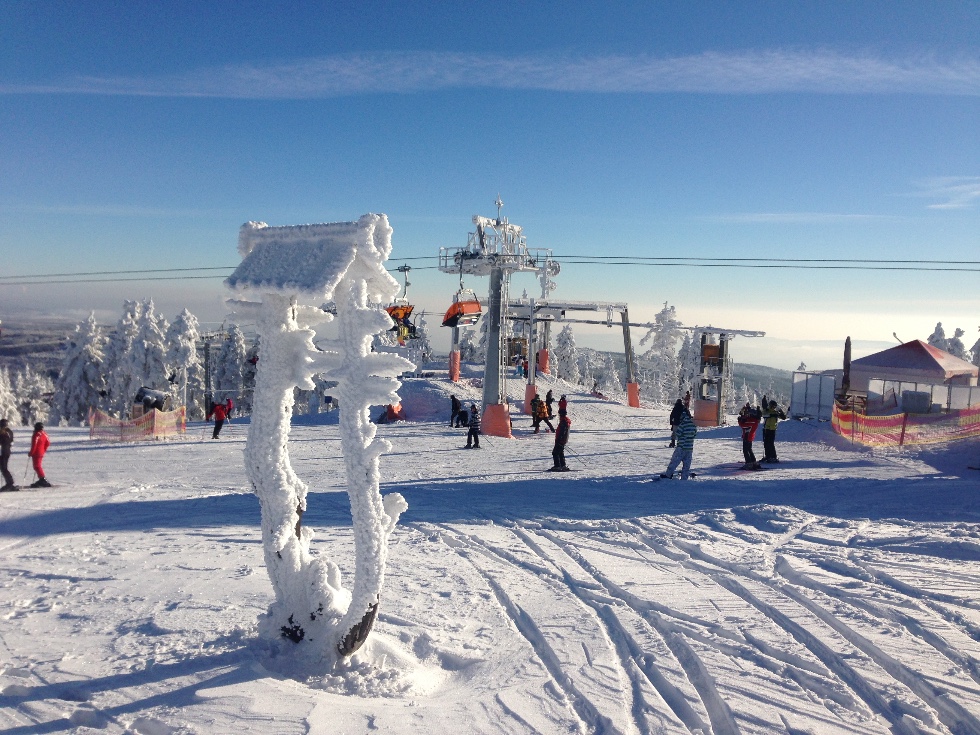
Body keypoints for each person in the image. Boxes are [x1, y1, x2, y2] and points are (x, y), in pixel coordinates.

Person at [661, 410, 697, 480]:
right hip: (689, 448)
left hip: (681, 447)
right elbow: (694, 434)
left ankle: (668, 475)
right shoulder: (693, 425)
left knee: (674, 462)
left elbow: (678, 434)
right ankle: (684, 477)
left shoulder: (682, 425)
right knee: (687, 464)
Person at [737, 404, 762, 470]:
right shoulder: (753, 420)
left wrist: (740, 421)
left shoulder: (751, 421)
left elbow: (743, 426)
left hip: (747, 436)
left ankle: (749, 463)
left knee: (746, 450)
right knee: (749, 449)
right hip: (749, 436)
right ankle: (753, 462)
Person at [28, 422, 51, 488]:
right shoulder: (44, 433)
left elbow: (34, 445)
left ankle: (42, 479)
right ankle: (41, 479)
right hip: (41, 452)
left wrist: (31, 452)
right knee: (38, 466)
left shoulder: (36, 434)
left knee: (37, 466)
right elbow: (48, 442)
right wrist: (44, 449)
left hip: (36, 453)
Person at [0, 419, 16, 491]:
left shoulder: (4, 433)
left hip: (4, 452)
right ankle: (9, 482)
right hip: (6, 451)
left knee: (4, 468)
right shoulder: (9, 432)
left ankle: (10, 483)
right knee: (3, 468)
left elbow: (3, 442)